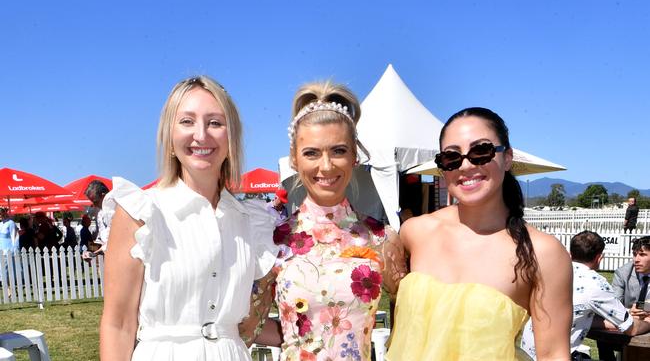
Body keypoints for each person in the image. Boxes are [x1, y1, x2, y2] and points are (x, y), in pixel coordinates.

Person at [99, 75, 278, 360]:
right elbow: (118, 324)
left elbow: (252, 319)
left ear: (231, 137)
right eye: (187, 121)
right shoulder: (141, 212)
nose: (201, 134)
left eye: (215, 122)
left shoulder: (251, 220)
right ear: (169, 137)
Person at [386, 107, 573, 360]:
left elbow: (553, 354)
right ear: (442, 167)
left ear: (507, 158)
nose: (465, 165)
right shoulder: (415, 232)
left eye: (480, 152)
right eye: (452, 157)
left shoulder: (543, 252)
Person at [254, 81, 407, 360]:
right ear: (294, 160)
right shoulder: (274, 240)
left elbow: (408, 323)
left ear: (354, 157)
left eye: (338, 151)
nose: (326, 166)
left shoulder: (382, 238)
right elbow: (248, 325)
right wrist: (295, 334)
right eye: (311, 153)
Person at [520, 230, 650, 360]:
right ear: (599, 257)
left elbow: (576, 316)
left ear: (570, 254)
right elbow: (631, 329)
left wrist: (620, 318)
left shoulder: (550, 273)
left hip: (526, 355)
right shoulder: (595, 283)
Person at [612, 236, 650, 314]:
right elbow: (614, 304)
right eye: (634, 254)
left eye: (642, 255)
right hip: (629, 319)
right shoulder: (622, 274)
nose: (636, 260)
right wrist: (629, 311)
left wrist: (643, 307)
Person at [84, 180, 112, 255]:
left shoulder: (120, 210)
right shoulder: (100, 214)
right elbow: (100, 240)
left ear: (104, 195)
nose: (94, 205)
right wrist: (89, 251)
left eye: (95, 201)